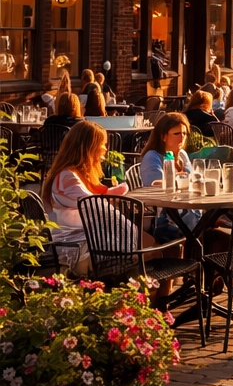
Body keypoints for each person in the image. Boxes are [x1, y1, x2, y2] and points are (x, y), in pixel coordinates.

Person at [42, 121, 130, 275]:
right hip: (75, 243)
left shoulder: (74, 174)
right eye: (102, 144)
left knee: (146, 246)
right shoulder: (67, 176)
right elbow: (93, 204)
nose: (104, 149)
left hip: (83, 236)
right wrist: (113, 196)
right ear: (88, 148)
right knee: (146, 251)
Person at [141, 113, 201, 245]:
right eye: (177, 133)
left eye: (184, 133)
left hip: (189, 210)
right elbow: (153, 186)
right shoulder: (152, 157)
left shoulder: (182, 155)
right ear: (163, 136)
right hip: (167, 218)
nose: (182, 138)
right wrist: (179, 181)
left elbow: (193, 180)